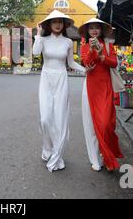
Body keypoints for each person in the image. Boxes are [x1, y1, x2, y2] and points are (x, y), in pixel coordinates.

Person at [33, 10, 86, 172]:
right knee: (45, 119)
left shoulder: (68, 42)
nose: (57, 24)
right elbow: (35, 53)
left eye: (60, 22)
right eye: (54, 21)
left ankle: (57, 154)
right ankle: (47, 147)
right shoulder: (43, 39)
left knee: (60, 119)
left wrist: (86, 70)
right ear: (49, 24)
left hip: (62, 79)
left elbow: (71, 63)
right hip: (46, 79)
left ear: (64, 25)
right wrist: (38, 34)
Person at [79, 18, 123, 172]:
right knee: (91, 124)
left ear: (101, 30)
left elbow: (114, 63)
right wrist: (92, 51)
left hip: (105, 86)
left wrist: (102, 56)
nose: (94, 30)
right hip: (91, 87)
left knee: (106, 124)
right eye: (91, 28)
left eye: (97, 28)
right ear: (87, 31)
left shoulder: (109, 46)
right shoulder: (84, 46)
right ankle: (95, 158)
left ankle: (107, 153)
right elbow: (85, 62)